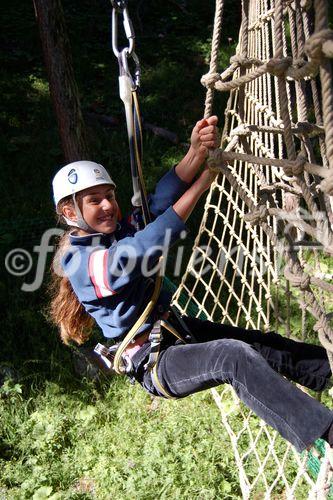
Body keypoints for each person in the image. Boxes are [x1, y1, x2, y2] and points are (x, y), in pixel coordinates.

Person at [50, 116, 333, 453]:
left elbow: (155, 205)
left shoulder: (112, 232)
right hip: (155, 361)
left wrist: (195, 153)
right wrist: (202, 184)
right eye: (95, 200)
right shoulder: (81, 263)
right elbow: (140, 250)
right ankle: (327, 433)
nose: (109, 205)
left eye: (110, 195)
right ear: (70, 211)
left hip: (176, 331)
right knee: (233, 357)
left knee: (262, 346)